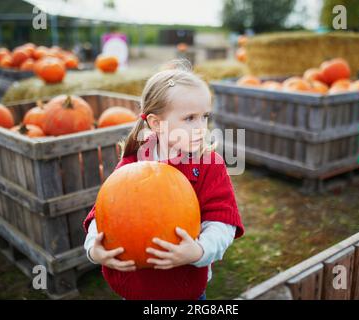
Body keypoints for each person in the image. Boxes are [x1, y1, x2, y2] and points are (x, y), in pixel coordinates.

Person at [83, 60, 244, 300]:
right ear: (156, 123)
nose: (201, 127)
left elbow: (222, 222)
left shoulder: (210, 165)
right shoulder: (131, 164)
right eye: (190, 118)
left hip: (185, 288)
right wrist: (93, 250)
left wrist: (199, 250)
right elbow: (103, 215)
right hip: (135, 288)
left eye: (204, 117)